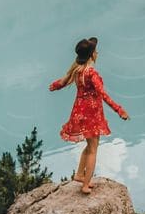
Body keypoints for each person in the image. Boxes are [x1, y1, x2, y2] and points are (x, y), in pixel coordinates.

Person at [49, 35, 129, 194]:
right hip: (92, 115)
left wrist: (53, 86)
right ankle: (85, 184)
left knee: (89, 145)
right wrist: (119, 110)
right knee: (93, 149)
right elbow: (103, 95)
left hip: (79, 113)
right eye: (96, 51)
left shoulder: (77, 70)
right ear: (92, 55)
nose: (97, 53)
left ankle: (79, 174)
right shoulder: (91, 73)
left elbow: (62, 82)